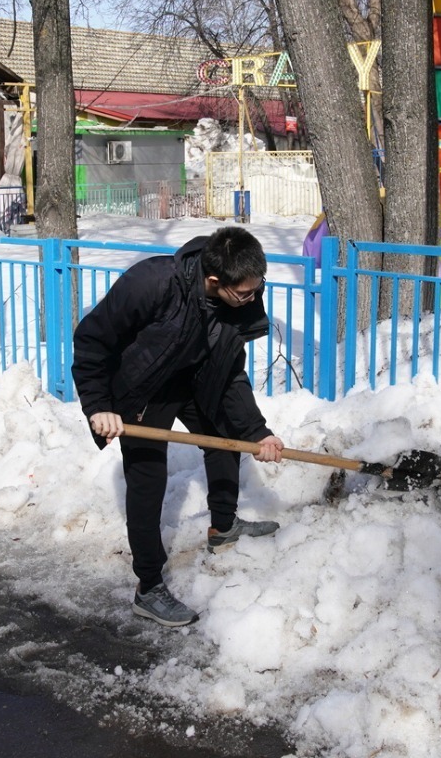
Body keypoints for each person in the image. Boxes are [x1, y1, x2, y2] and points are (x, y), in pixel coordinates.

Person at [72, 226, 286, 627]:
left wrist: (257, 431)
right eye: (244, 293)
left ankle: (223, 527)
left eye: (258, 289)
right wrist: (99, 406)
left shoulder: (242, 294)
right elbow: (91, 340)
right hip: (141, 389)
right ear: (213, 281)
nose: (253, 299)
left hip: (192, 378)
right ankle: (148, 587)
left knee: (225, 439)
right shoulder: (151, 283)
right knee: (148, 478)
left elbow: (230, 372)